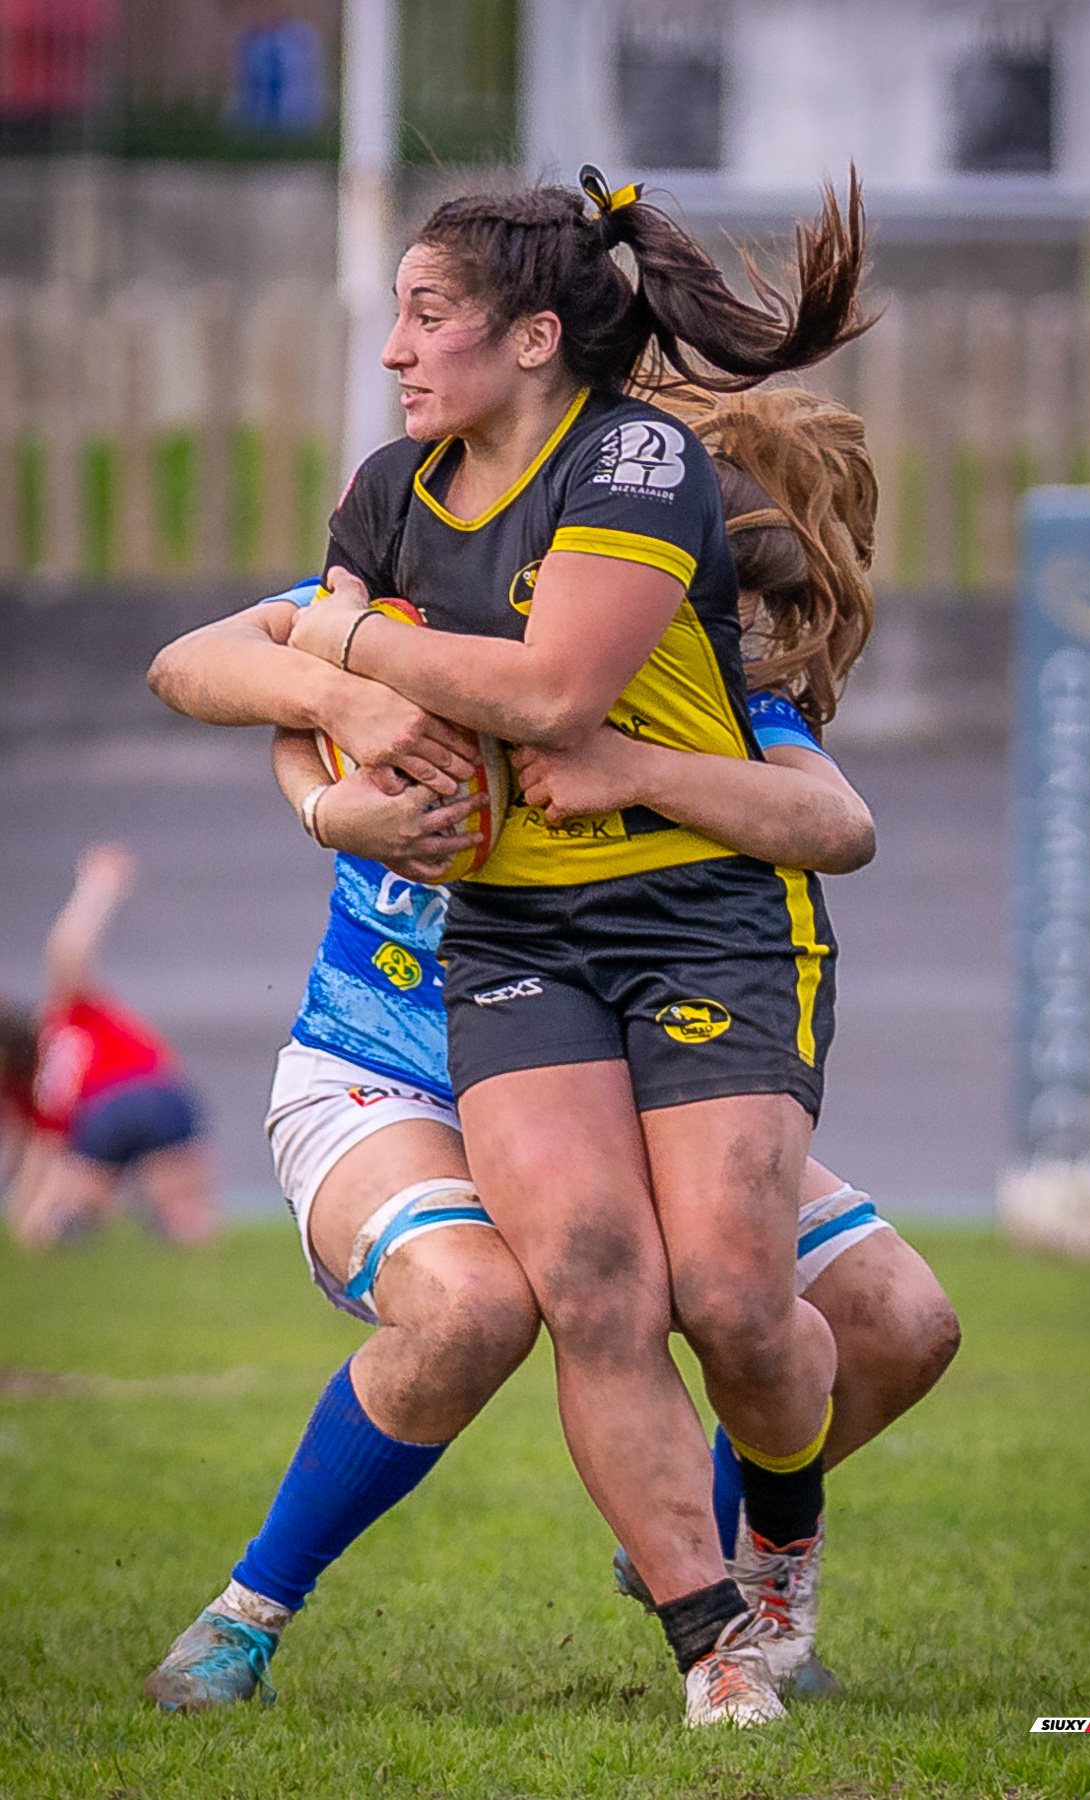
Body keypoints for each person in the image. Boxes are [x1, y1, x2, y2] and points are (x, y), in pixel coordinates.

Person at [145, 193, 956, 1721]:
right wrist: (338, 782)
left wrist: (610, 762)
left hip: (625, 1028)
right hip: (394, 1061)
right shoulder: (398, 556)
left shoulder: (671, 667)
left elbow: (815, 818)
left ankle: (704, 1546)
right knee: (480, 1304)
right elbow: (204, 662)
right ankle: (249, 1614)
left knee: (897, 1322)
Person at [1, 846, 217, 1250]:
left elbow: (39, 1154)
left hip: (103, 1114)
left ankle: (79, 1223)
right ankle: (171, 1226)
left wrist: (28, 1217)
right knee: (191, 1219)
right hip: (161, 1092)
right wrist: (99, 885)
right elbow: (66, 954)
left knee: (60, 1218)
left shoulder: (36, 1085)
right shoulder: (65, 1013)